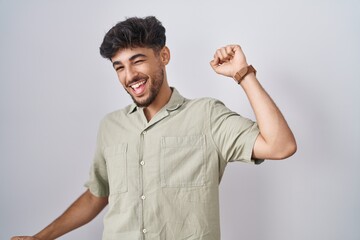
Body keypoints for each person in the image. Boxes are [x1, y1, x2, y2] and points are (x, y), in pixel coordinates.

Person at [11, 16, 296, 240]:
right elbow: (97, 194)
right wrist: (41, 237)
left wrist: (242, 74)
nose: (129, 75)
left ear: (164, 56)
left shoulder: (206, 114)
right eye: (119, 67)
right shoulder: (111, 126)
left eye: (138, 61)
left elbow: (281, 145)